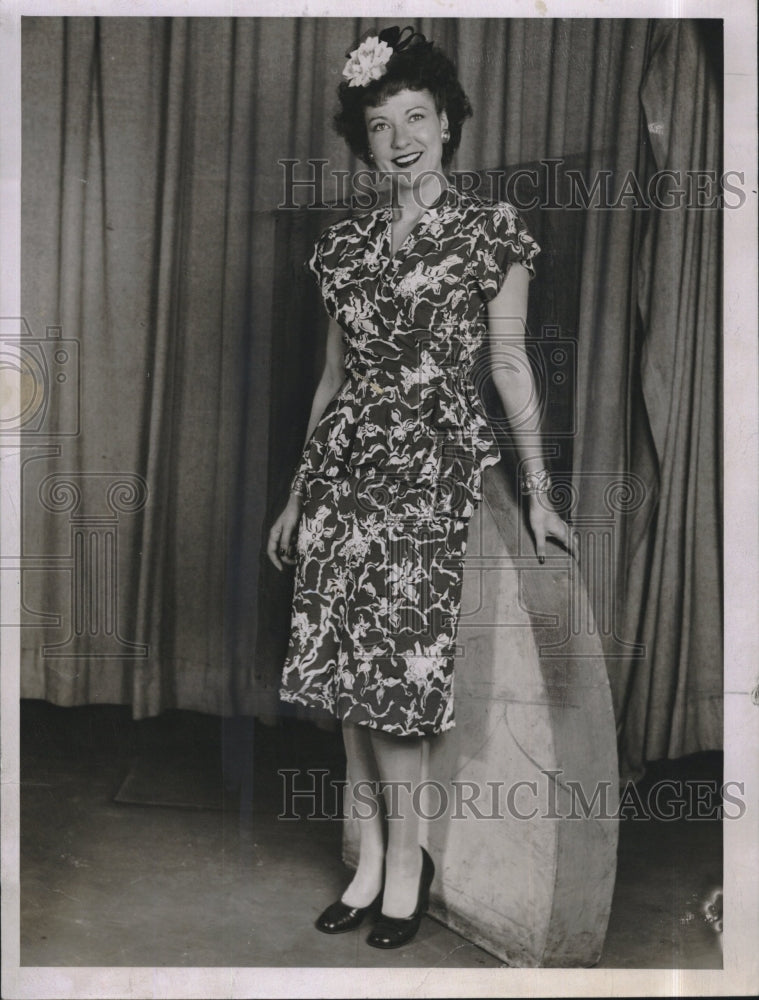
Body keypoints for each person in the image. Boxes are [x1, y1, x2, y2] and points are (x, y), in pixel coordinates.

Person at [267, 25, 572, 950]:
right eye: (378, 123)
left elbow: (508, 365)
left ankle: (406, 868)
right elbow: (332, 380)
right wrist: (296, 495)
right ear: (360, 140)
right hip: (343, 475)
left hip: (427, 472)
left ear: (447, 125)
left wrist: (540, 489)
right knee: (346, 679)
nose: (399, 138)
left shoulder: (490, 232)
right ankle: (367, 860)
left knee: (396, 683)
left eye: (416, 117)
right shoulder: (346, 245)